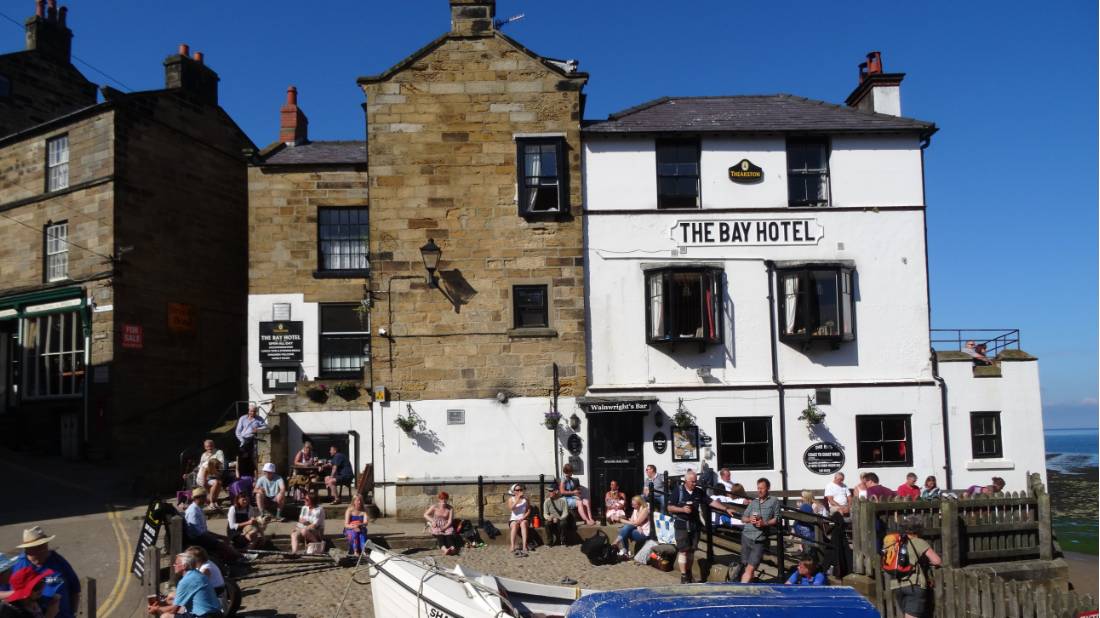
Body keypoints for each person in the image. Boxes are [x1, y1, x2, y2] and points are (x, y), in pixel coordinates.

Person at [10, 526, 78, 618]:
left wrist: (73, 613)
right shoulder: (19, 567)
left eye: (44, 546)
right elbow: (14, 598)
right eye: (37, 548)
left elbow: (75, 587)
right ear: (27, 549)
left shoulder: (57, 559)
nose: (42, 551)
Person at [888, 515, 943, 618]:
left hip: (897, 585)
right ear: (918, 530)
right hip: (914, 585)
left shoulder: (895, 543)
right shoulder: (919, 542)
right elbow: (937, 561)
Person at [147, 553, 221, 618]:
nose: (174, 565)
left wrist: (157, 609)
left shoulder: (185, 581)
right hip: (216, 613)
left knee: (165, 616)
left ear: (184, 566)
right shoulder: (197, 574)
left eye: (176, 563)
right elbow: (177, 603)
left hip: (204, 615)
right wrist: (161, 604)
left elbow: (174, 609)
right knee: (172, 599)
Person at [667, 470, 707, 584]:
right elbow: (669, 508)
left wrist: (725, 508)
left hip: (694, 524)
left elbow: (710, 501)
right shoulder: (678, 491)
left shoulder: (699, 491)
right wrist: (682, 509)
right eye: (692, 482)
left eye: (696, 481)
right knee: (683, 550)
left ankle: (688, 572)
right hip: (681, 524)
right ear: (686, 481)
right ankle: (684, 576)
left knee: (691, 550)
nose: (695, 483)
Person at [183, 489, 241, 564]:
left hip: (201, 536)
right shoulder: (193, 511)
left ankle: (235, 556)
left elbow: (203, 531)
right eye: (204, 497)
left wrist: (218, 536)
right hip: (197, 539)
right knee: (221, 543)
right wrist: (216, 538)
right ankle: (238, 557)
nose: (205, 499)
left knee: (224, 539)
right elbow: (198, 533)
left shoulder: (197, 509)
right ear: (198, 498)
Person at [740, 478, 780, 584]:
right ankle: (749, 590)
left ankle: (741, 592)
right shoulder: (754, 502)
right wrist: (750, 519)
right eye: (758, 488)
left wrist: (764, 523)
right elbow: (743, 518)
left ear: (768, 488)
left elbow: (777, 518)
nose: (759, 491)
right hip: (747, 536)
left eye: (762, 488)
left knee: (750, 568)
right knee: (747, 567)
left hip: (760, 539)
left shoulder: (774, 501)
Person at [423, 492, 459, 556]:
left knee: (449, 536)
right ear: (439, 499)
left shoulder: (450, 508)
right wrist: (432, 521)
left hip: (446, 525)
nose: (443, 500)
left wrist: (444, 528)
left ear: (447, 499)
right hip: (437, 525)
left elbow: (450, 521)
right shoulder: (434, 506)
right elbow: (425, 515)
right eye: (442, 499)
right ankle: (444, 549)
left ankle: (453, 548)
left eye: (445, 499)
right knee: (440, 536)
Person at [507, 484, 530, 557]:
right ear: (514, 491)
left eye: (521, 490)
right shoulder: (511, 499)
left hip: (523, 518)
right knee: (514, 525)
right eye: (517, 490)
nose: (519, 491)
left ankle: (524, 545)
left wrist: (523, 518)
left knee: (523, 524)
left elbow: (528, 510)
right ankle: (512, 545)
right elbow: (511, 508)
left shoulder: (526, 499)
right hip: (514, 519)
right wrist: (517, 499)